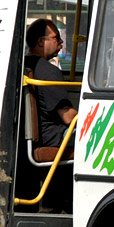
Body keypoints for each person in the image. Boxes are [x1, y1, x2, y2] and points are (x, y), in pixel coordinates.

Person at [25, 18, 78, 150]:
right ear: (41, 41)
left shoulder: (22, 65)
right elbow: (68, 117)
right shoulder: (48, 72)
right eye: (56, 38)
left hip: (36, 139)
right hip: (55, 137)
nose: (61, 42)